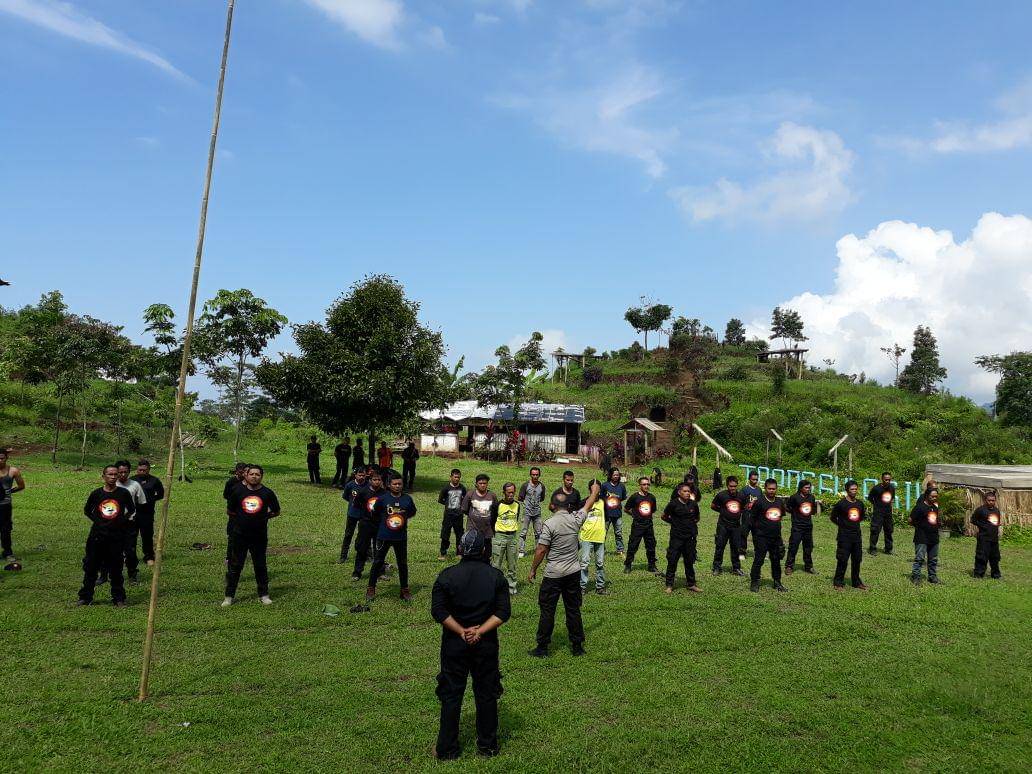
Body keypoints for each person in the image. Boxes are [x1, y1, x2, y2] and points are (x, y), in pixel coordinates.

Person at [431, 530, 510, 760]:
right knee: (486, 693)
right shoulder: (496, 576)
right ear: (484, 551)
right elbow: (503, 612)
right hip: (485, 644)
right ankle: (488, 746)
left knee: (452, 694)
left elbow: (438, 611)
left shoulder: (446, 576)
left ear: (460, 549)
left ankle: (447, 749)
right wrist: (480, 631)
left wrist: (461, 630)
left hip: (454, 644)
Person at [527, 480, 602, 657]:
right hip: (573, 573)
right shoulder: (575, 519)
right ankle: (577, 647)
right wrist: (594, 491)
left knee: (547, 611)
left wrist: (532, 569)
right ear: (567, 506)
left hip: (553, 574)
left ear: (552, 505)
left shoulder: (549, 524)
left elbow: (541, 549)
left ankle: (542, 648)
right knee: (573, 609)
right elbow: (589, 503)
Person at [78, 465, 136, 607]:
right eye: (109, 474)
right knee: (91, 567)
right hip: (97, 536)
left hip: (116, 537)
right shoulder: (96, 494)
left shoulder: (123, 493)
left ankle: (118, 598)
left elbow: (131, 510)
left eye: (115, 474)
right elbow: (87, 511)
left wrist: (121, 521)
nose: (113, 477)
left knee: (116, 568)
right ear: (103, 476)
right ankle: (86, 597)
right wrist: (98, 522)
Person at [223, 465, 281, 606]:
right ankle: (229, 596)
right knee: (235, 566)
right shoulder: (237, 491)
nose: (254, 476)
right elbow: (230, 511)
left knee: (260, 565)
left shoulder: (267, 493)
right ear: (246, 475)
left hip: (259, 536)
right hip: (240, 535)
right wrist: (242, 520)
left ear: (261, 476)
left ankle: (264, 595)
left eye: (258, 474)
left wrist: (263, 518)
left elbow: (276, 511)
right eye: (252, 474)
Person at [365, 475, 416, 603]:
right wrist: (384, 525)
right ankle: (371, 588)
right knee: (378, 562)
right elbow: (375, 513)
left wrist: (400, 521)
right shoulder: (382, 499)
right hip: (384, 536)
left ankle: (404, 590)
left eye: (399, 484)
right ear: (389, 485)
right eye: (395, 484)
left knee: (402, 563)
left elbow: (411, 512)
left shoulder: (407, 499)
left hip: (400, 537)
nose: (397, 486)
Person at [101, 460, 146, 585]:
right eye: (120, 472)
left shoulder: (135, 485)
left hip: (129, 523)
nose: (122, 475)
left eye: (125, 472)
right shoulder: (110, 486)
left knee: (130, 550)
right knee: (107, 549)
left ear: (129, 472)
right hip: (111, 522)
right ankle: (104, 575)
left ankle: (132, 575)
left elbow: (141, 503)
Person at [748, 478, 787, 592]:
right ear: (765, 488)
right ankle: (754, 582)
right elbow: (752, 520)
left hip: (775, 537)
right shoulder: (759, 502)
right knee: (759, 560)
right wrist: (756, 534)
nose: (771, 491)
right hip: (761, 537)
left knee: (776, 560)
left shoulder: (779, 502)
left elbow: (780, 517)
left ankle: (777, 582)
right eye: (769, 488)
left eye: (774, 489)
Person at [662, 482, 701, 594]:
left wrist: (690, 526)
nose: (687, 493)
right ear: (679, 492)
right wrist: (674, 523)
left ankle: (691, 584)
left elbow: (697, 518)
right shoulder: (673, 504)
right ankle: (669, 585)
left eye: (689, 491)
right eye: (685, 491)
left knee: (689, 561)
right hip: (676, 537)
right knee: (672, 560)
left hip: (690, 537)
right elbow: (664, 516)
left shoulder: (693, 504)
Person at [830, 481, 868, 590]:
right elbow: (833, 517)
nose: (854, 491)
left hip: (856, 536)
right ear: (847, 490)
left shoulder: (860, 504)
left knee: (857, 560)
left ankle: (856, 582)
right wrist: (842, 525)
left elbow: (861, 517)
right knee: (843, 559)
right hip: (844, 537)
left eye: (856, 489)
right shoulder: (841, 504)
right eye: (852, 489)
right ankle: (838, 582)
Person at [352, 469, 386, 581]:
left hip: (379, 526)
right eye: (374, 479)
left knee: (379, 550)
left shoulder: (384, 493)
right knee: (362, 548)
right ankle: (357, 572)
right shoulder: (363, 492)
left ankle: (380, 572)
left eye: (379, 480)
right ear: (370, 480)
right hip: (365, 524)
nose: (377, 482)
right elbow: (356, 505)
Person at [711, 475, 747, 576]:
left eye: (735, 486)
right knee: (720, 546)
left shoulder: (741, 496)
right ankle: (717, 567)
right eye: (731, 486)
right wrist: (723, 511)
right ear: (727, 486)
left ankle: (736, 568)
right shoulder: (721, 495)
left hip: (736, 526)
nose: (733, 488)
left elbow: (744, 507)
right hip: (723, 525)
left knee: (736, 547)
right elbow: (713, 506)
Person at [130, 459, 165, 566]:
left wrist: (150, 499)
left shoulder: (154, 480)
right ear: (137, 469)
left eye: (144, 470)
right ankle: (130, 557)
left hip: (147, 513)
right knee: (131, 536)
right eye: (140, 470)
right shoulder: (131, 480)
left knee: (147, 535)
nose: (142, 472)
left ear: (148, 470)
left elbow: (160, 494)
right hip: (133, 513)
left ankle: (149, 556)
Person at [623, 477, 659, 574]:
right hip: (637, 526)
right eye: (644, 484)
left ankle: (652, 566)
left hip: (648, 526)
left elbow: (653, 510)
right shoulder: (634, 497)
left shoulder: (652, 497)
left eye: (648, 484)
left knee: (651, 546)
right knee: (633, 546)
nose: (646, 486)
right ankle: (628, 565)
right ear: (640, 485)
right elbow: (626, 509)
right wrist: (634, 515)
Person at [490, 483, 521, 594]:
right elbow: (492, 521)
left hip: (512, 537)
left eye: (513, 492)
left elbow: (516, 518)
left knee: (512, 565)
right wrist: (497, 533)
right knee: (496, 564)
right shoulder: (497, 505)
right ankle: (494, 588)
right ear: (504, 493)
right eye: (509, 492)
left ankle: (511, 588)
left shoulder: (517, 505)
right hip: (500, 536)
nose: (511, 494)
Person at [578, 479, 607, 595]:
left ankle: (600, 586)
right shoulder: (583, 502)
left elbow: (608, 518)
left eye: (598, 487)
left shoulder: (603, 502)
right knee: (584, 562)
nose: (596, 489)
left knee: (600, 563)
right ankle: (582, 587)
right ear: (589, 489)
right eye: (593, 487)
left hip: (599, 537)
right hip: (586, 537)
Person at [784, 479, 818, 575]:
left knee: (808, 547)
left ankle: (809, 566)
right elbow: (787, 507)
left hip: (808, 526)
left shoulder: (812, 497)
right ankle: (789, 566)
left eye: (809, 487)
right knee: (793, 547)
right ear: (801, 488)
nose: (808, 489)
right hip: (797, 527)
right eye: (806, 488)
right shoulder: (794, 497)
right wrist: (795, 513)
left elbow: (813, 510)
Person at [910, 488, 942, 585]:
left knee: (933, 559)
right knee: (919, 558)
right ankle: (916, 576)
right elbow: (910, 520)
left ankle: (932, 577)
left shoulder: (935, 508)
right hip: (922, 537)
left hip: (934, 537)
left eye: (936, 496)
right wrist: (920, 527)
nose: (934, 498)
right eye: (932, 496)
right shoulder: (919, 507)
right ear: (927, 496)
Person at [0, 447, 26, 561]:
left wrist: (10, 491)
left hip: (5, 505)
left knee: (6, 529)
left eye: (2, 458)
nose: (0, 460)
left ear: (6, 458)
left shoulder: (13, 471)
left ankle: (8, 552)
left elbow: (21, 486)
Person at [462, 474, 497, 557]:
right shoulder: (470, 494)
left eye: (484, 483)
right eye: (480, 483)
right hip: (472, 529)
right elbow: (464, 509)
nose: (482, 485)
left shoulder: (492, 495)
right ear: (476, 484)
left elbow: (495, 511)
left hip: (487, 530)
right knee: (472, 552)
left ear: (487, 484)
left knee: (487, 553)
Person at [339, 466, 368, 563]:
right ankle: (343, 556)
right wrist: (353, 503)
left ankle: (366, 554)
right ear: (355, 475)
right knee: (348, 534)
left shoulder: (368, 485)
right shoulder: (350, 485)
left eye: (363, 475)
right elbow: (346, 497)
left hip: (364, 515)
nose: (361, 477)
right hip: (352, 513)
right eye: (359, 475)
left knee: (364, 535)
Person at [971, 491, 1003, 579]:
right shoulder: (980, 510)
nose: (991, 502)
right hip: (984, 538)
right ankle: (979, 574)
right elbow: (973, 520)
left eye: (993, 500)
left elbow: (995, 522)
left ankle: (996, 574)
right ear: (985, 500)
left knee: (995, 557)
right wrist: (983, 526)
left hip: (994, 538)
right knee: (981, 556)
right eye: (989, 500)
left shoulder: (996, 511)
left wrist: (997, 525)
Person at [438, 469, 467, 560]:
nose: (457, 479)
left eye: (458, 477)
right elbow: (440, 500)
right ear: (451, 477)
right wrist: (447, 505)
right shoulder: (446, 488)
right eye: (455, 477)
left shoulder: (462, 488)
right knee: (445, 534)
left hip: (459, 515)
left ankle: (459, 553)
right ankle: (443, 553)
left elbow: (465, 500)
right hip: (448, 515)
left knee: (459, 534)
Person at [517, 467, 546, 558]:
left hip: (537, 513)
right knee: (523, 532)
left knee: (538, 532)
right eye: (533, 474)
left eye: (537, 474)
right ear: (530, 475)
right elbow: (520, 497)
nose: (535, 476)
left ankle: (538, 550)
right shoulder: (525, 485)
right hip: (526, 512)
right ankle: (521, 550)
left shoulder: (542, 486)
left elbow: (542, 498)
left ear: (539, 475)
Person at [222, 462, 248, 563]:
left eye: (245, 472)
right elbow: (226, 495)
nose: (243, 475)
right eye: (241, 473)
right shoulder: (231, 482)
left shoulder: (248, 482)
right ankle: (229, 557)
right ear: (237, 472)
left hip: (246, 511)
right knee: (232, 535)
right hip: (234, 512)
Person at [866, 472, 896, 555]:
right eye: (886, 479)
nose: (887, 481)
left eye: (889, 480)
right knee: (875, 530)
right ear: (882, 479)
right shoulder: (876, 488)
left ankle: (888, 549)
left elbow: (891, 499)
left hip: (888, 513)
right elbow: (870, 498)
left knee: (889, 531)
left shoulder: (892, 488)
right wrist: (877, 505)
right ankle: (872, 548)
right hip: (878, 513)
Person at [600, 467, 627, 556]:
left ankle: (620, 550)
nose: (616, 476)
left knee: (618, 533)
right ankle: (601, 549)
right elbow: (601, 497)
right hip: (607, 513)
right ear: (610, 475)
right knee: (603, 532)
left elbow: (622, 497)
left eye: (617, 475)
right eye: (614, 475)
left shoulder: (621, 486)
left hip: (617, 513)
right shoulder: (605, 485)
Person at [740, 470, 762, 561]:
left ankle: (758, 553)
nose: (755, 481)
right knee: (743, 534)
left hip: (756, 517)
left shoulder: (759, 490)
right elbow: (740, 502)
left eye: (756, 479)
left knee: (757, 535)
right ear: (749, 479)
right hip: (746, 516)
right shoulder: (744, 490)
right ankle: (741, 552)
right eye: (753, 479)